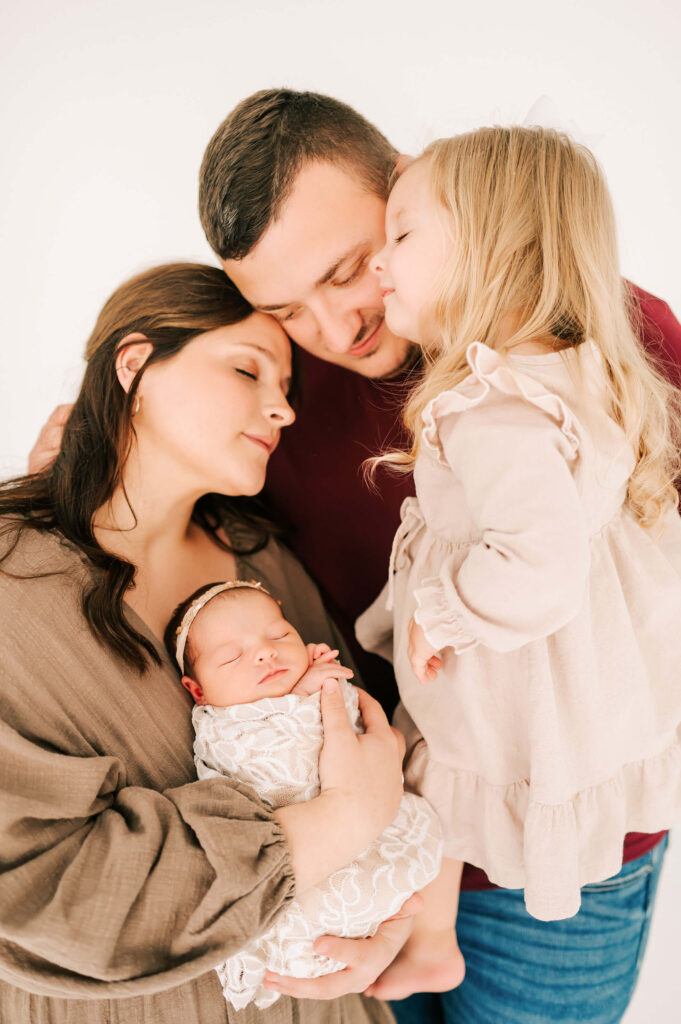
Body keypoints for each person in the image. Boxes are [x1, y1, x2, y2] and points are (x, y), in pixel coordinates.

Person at [28, 88, 681, 1020]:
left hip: (566, 854)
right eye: (289, 308)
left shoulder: (578, 330)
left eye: (350, 271)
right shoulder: (273, 401)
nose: (338, 331)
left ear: (414, 196)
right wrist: (92, 454)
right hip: (383, 833)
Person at [0, 262, 412, 1024]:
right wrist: (341, 820)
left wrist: (391, 921)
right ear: (135, 366)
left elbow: (366, 753)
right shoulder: (12, 584)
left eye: (285, 388)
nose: (281, 410)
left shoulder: (261, 563)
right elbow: (41, 886)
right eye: (247, 370)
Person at [353, 125, 681, 1004]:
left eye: (401, 236)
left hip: (515, 676)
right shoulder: (584, 371)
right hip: (581, 690)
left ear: (494, 248)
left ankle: (431, 939)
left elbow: (536, 564)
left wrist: (447, 613)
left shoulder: (489, 408)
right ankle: (430, 936)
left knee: (440, 762)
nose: (378, 266)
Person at [163, 579, 442, 1011]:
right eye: (232, 655)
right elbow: (268, 760)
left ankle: (414, 937)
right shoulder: (222, 728)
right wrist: (302, 698)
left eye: (280, 635)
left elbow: (357, 730)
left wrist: (318, 691)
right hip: (300, 874)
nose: (264, 652)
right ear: (198, 692)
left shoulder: (311, 670)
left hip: (372, 843)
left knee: (421, 843)